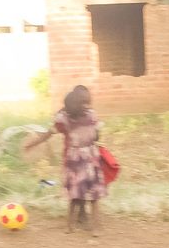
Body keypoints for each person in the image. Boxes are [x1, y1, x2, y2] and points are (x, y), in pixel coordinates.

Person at [24, 86, 107, 234]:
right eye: (85, 103)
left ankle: (73, 225)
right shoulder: (87, 117)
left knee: (76, 194)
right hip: (86, 160)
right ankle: (90, 227)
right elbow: (96, 136)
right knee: (89, 196)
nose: (88, 105)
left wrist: (32, 144)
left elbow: (48, 134)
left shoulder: (65, 119)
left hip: (78, 161)